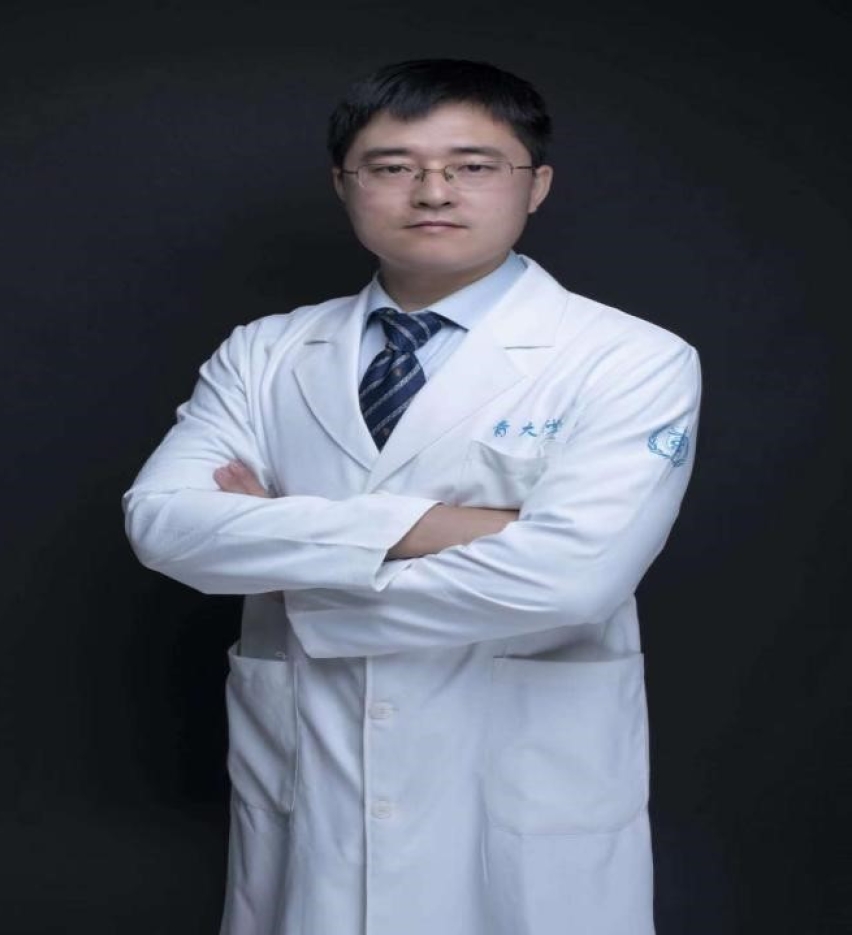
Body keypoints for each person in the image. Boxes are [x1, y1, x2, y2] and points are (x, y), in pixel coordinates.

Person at [122, 58, 701, 935]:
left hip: (522, 785)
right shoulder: (265, 352)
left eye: (473, 165)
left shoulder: (629, 358)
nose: (433, 191)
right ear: (344, 183)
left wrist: (286, 555)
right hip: (315, 781)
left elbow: (572, 578)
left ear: (536, 184)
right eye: (393, 166)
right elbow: (163, 524)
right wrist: (457, 528)